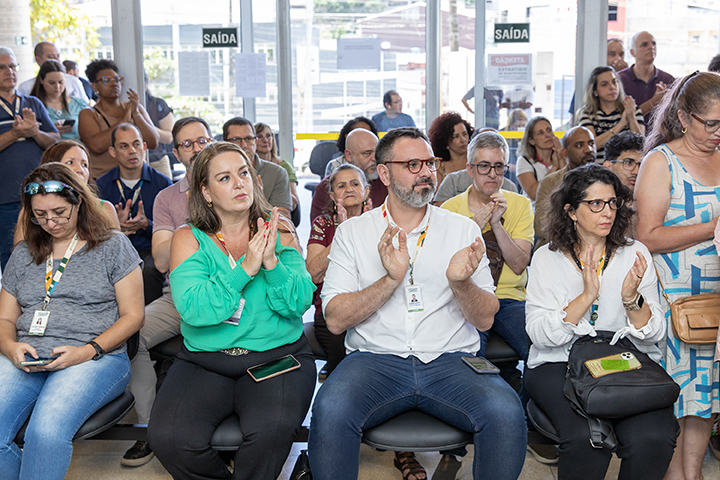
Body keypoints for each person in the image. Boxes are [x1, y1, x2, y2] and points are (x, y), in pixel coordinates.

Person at [308, 127, 527, 480]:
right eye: (412, 164)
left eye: (430, 163)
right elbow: (334, 320)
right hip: (374, 361)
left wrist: (461, 283)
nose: (426, 172)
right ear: (383, 173)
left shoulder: (462, 230)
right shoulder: (354, 233)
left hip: (452, 360)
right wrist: (390, 280)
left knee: (506, 413)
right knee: (330, 410)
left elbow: (486, 319)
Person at [147, 141, 316, 480]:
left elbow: (299, 303)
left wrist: (271, 262)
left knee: (271, 430)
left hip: (276, 357)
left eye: (243, 174)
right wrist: (245, 268)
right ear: (206, 192)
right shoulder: (188, 238)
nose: (239, 183)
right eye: (224, 178)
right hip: (205, 359)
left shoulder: (278, 229)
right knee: (168, 438)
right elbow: (195, 310)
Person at [525, 163, 678, 480]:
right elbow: (539, 335)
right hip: (560, 361)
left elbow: (655, 334)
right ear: (571, 211)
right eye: (595, 204)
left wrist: (630, 298)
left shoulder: (635, 253)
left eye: (612, 202)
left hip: (623, 357)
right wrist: (585, 296)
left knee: (654, 437)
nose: (607, 211)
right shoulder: (546, 257)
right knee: (586, 439)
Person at [0, 162, 143, 480]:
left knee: (46, 434)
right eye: (39, 214)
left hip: (92, 356)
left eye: (59, 212)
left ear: (79, 201)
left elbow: (134, 315)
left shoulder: (112, 246)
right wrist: (10, 346)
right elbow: (5, 317)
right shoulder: (24, 254)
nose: (50, 221)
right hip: (27, 355)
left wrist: (87, 350)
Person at [634, 71, 720, 480]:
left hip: (716, 311)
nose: (719, 132)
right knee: (674, 404)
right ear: (684, 118)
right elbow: (646, 236)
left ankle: (694, 474)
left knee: (706, 401)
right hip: (674, 306)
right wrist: (711, 227)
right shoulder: (661, 161)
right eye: (712, 123)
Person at [123, 116, 214, 467]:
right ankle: (148, 426)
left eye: (202, 141)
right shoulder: (166, 198)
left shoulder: (236, 185)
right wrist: (195, 211)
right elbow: (161, 261)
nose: (195, 149)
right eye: (187, 144)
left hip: (232, 296)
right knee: (133, 332)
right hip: (178, 297)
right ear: (176, 152)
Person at [440, 131, 533, 392]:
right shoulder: (449, 210)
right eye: (484, 166)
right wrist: (473, 230)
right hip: (466, 299)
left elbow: (518, 264)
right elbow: (443, 267)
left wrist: (496, 224)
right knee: (467, 360)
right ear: (470, 169)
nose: (492, 174)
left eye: (499, 166)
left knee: (540, 351)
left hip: (508, 298)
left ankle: (528, 412)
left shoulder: (520, 204)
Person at [95, 123, 172, 305]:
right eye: (124, 146)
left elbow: (175, 231)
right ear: (113, 152)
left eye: (136, 144)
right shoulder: (102, 185)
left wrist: (148, 225)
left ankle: (147, 325)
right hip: (113, 251)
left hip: (150, 250)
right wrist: (114, 227)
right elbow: (92, 230)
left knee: (149, 270)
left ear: (144, 147)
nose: (132, 151)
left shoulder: (163, 184)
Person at [306, 164, 370, 378]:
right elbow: (313, 274)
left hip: (372, 305)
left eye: (355, 183)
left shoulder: (380, 223)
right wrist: (343, 234)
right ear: (333, 196)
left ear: (366, 191)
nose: (349, 189)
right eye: (342, 186)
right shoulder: (323, 224)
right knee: (341, 331)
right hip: (330, 308)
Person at [0, 46, 60, 269]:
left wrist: (36, 132)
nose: (10, 71)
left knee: (45, 250)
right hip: (4, 199)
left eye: (13, 66)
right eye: (2, 67)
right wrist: (15, 134)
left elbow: (54, 140)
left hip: (40, 194)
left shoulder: (33, 103)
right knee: (12, 257)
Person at [13, 140, 120, 246]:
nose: (80, 170)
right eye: (70, 162)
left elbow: (118, 250)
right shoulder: (28, 211)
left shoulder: (105, 208)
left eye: (84, 165)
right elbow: (21, 256)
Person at [78, 59, 158, 179]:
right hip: (103, 182)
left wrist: (136, 113)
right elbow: (96, 146)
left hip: (138, 178)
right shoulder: (88, 113)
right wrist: (124, 120)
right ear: (94, 85)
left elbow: (153, 142)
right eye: (107, 80)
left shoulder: (134, 107)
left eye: (117, 79)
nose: (114, 83)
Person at [534, 126, 597, 248]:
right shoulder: (550, 182)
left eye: (591, 144)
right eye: (579, 145)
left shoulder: (607, 181)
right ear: (565, 152)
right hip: (555, 250)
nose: (588, 149)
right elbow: (541, 228)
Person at [310, 128, 387, 223]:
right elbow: (318, 232)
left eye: (377, 153)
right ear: (349, 155)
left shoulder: (388, 182)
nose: (375, 159)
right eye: (367, 153)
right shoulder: (326, 188)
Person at [223, 117, 292, 219]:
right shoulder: (216, 174)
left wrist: (259, 199)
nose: (243, 145)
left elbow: (283, 218)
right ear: (225, 143)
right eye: (236, 140)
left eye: (248, 139)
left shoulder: (277, 172)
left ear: (255, 142)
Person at [577, 66, 644, 161]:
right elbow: (590, 146)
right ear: (595, 91)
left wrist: (632, 118)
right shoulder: (587, 113)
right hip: (597, 168)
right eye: (604, 84)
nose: (612, 87)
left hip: (627, 168)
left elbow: (641, 145)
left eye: (614, 82)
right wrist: (620, 125)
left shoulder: (632, 109)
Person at [617, 31, 674, 127]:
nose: (651, 47)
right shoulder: (618, 80)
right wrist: (654, 102)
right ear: (632, 52)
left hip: (660, 138)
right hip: (629, 138)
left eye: (653, 43)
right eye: (644, 45)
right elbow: (620, 120)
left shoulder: (668, 80)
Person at [568, 39, 631, 123]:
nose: (618, 59)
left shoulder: (629, 80)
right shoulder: (593, 80)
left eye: (621, 55)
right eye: (612, 54)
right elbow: (573, 120)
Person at [30, 60, 88, 142]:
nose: (57, 87)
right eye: (51, 83)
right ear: (41, 80)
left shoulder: (79, 104)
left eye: (61, 82)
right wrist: (49, 133)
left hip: (78, 150)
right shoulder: (32, 106)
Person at [17, 42, 89, 103]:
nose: (56, 60)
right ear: (38, 60)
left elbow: (86, 107)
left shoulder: (73, 81)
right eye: (51, 57)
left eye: (58, 56)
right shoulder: (26, 87)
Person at [515, 116, 566, 204]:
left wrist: (561, 159)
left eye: (549, 130)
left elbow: (570, 186)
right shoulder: (524, 161)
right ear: (531, 141)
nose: (547, 135)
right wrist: (554, 168)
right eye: (540, 133)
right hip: (534, 213)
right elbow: (534, 194)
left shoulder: (563, 156)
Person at [255, 122, 299, 215]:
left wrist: (277, 189)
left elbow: (294, 202)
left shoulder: (284, 167)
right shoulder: (247, 167)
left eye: (268, 136)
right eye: (259, 136)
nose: (265, 140)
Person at [428, 111, 474, 185]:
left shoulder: (477, 161)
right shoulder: (439, 168)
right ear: (445, 142)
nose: (463, 140)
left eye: (465, 134)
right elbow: (437, 196)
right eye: (456, 136)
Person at [144, 71, 175, 179]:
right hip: (132, 163)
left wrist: (144, 125)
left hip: (158, 160)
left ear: (146, 83)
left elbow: (169, 137)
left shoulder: (158, 104)